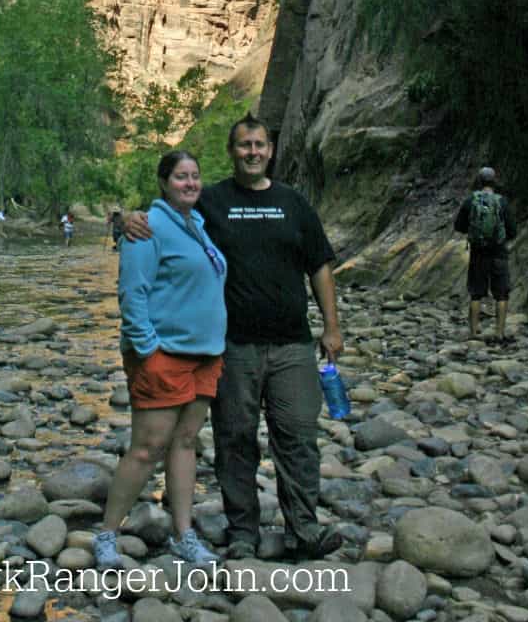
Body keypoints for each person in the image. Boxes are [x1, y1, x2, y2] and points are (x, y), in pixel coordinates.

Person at [124, 113, 344, 563]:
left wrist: (332, 326)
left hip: (292, 346)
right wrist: (123, 219)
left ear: (270, 150)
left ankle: (304, 530)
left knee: (298, 438)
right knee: (235, 438)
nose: (253, 152)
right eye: (244, 145)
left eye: (260, 145)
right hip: (233, 347)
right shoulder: (211, 200)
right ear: (232, 151)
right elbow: (163, 216)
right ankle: (242, 530)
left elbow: (320, 265)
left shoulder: (294, 203)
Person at [93, 151, 227, 572]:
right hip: (164, 355)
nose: (189, 183)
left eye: (194, 176)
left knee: (185, 443)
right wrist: (147, 350)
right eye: (180, 177)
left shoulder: (198, 225)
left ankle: (183, 535)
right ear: (164, 183)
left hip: (205, 354)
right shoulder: (147, 227)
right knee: (147, 448)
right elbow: (133, 293)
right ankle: (106, 537)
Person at [454, 166, 516, 345]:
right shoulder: (502, 202)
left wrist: (474, 233)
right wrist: (501, 238)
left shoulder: (470, 200)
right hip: (499, 252)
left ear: (479, 181)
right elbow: (512, 230)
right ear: (494, 182)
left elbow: (459, 226)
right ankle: (499, 333)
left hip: (478, 252)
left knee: (476, 293)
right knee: (501, 293)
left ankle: (474, 333)